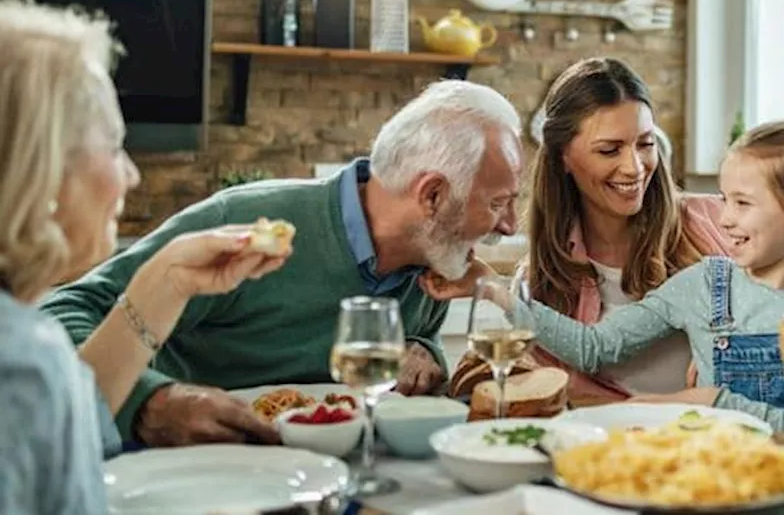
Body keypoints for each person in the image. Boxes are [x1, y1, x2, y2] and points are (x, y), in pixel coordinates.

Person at [41, 79, 524, 448]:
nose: (509, 226)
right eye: (500, 203)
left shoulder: (436, 259)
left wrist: (424, 354)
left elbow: (416, 352)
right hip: (177, 470)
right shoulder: (247, 222)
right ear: (432, 195)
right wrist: (149, 401)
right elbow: (61, 314)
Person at [0, 0, 292, 514]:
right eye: (114, 146)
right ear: (41, 168)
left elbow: (65, 430)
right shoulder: (21, 362)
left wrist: (168, 279)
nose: (130, 174)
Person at [432, 120, 784, 440]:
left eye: (743, 204)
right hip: (698, 479)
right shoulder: (704, 284)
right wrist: (496, 292)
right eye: (724, 199)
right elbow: (595, 348)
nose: (725, 219)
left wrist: (713, 401)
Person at [504, 57, 731, 403]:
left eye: (645, 143)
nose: (634, 167)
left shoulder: (719, 220)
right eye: (610, 150)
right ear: (562, 156)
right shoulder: (539, 285)